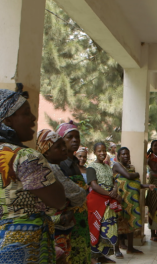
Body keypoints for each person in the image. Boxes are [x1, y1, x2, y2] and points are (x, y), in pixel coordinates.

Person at [0, 84, 66, 263]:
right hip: (24, 244)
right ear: (7, 121)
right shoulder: (25, 157)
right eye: (26, 113)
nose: (34, 118)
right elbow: (58, 200)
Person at [36, 129, 87, 263]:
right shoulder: (53, 169)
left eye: (63, 145)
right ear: (46, 151)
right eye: (58, 147)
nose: (64, 149)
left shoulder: (63, 165)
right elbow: (79, 195)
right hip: (58, 225)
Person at [57, 121, 93, 264]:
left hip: (81, 216)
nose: (75, 140)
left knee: (82, 248)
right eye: (69, 137)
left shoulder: (75, 163)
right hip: (69, 215)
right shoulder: (60, 163)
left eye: (77, 137)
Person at [113, 147, 155, 258]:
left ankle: (130, 248)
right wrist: (137, 174)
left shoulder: (131, 168)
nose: (126, 156)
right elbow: (128, 176)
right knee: (118, 223)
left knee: (130, 224)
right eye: (123, 154)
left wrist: (148, 186)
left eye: (127, 154)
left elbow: (137, 184)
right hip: (120, 200)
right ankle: (116, 249)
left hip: (131, 201)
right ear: (118, 156)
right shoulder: (117, 165)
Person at [86, 142, 122, 263]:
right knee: (97, 228)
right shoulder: (91, 167)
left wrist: (115, 190)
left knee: (108, 227)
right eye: (99, 151)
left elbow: (114, 181)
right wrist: (109, 194)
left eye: (103, 150)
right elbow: (94, 185)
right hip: (97, 200)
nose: (102, 153)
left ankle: (102, 255)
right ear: (95, 152)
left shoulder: (108, 166)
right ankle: (93, 257)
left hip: (108, 201)